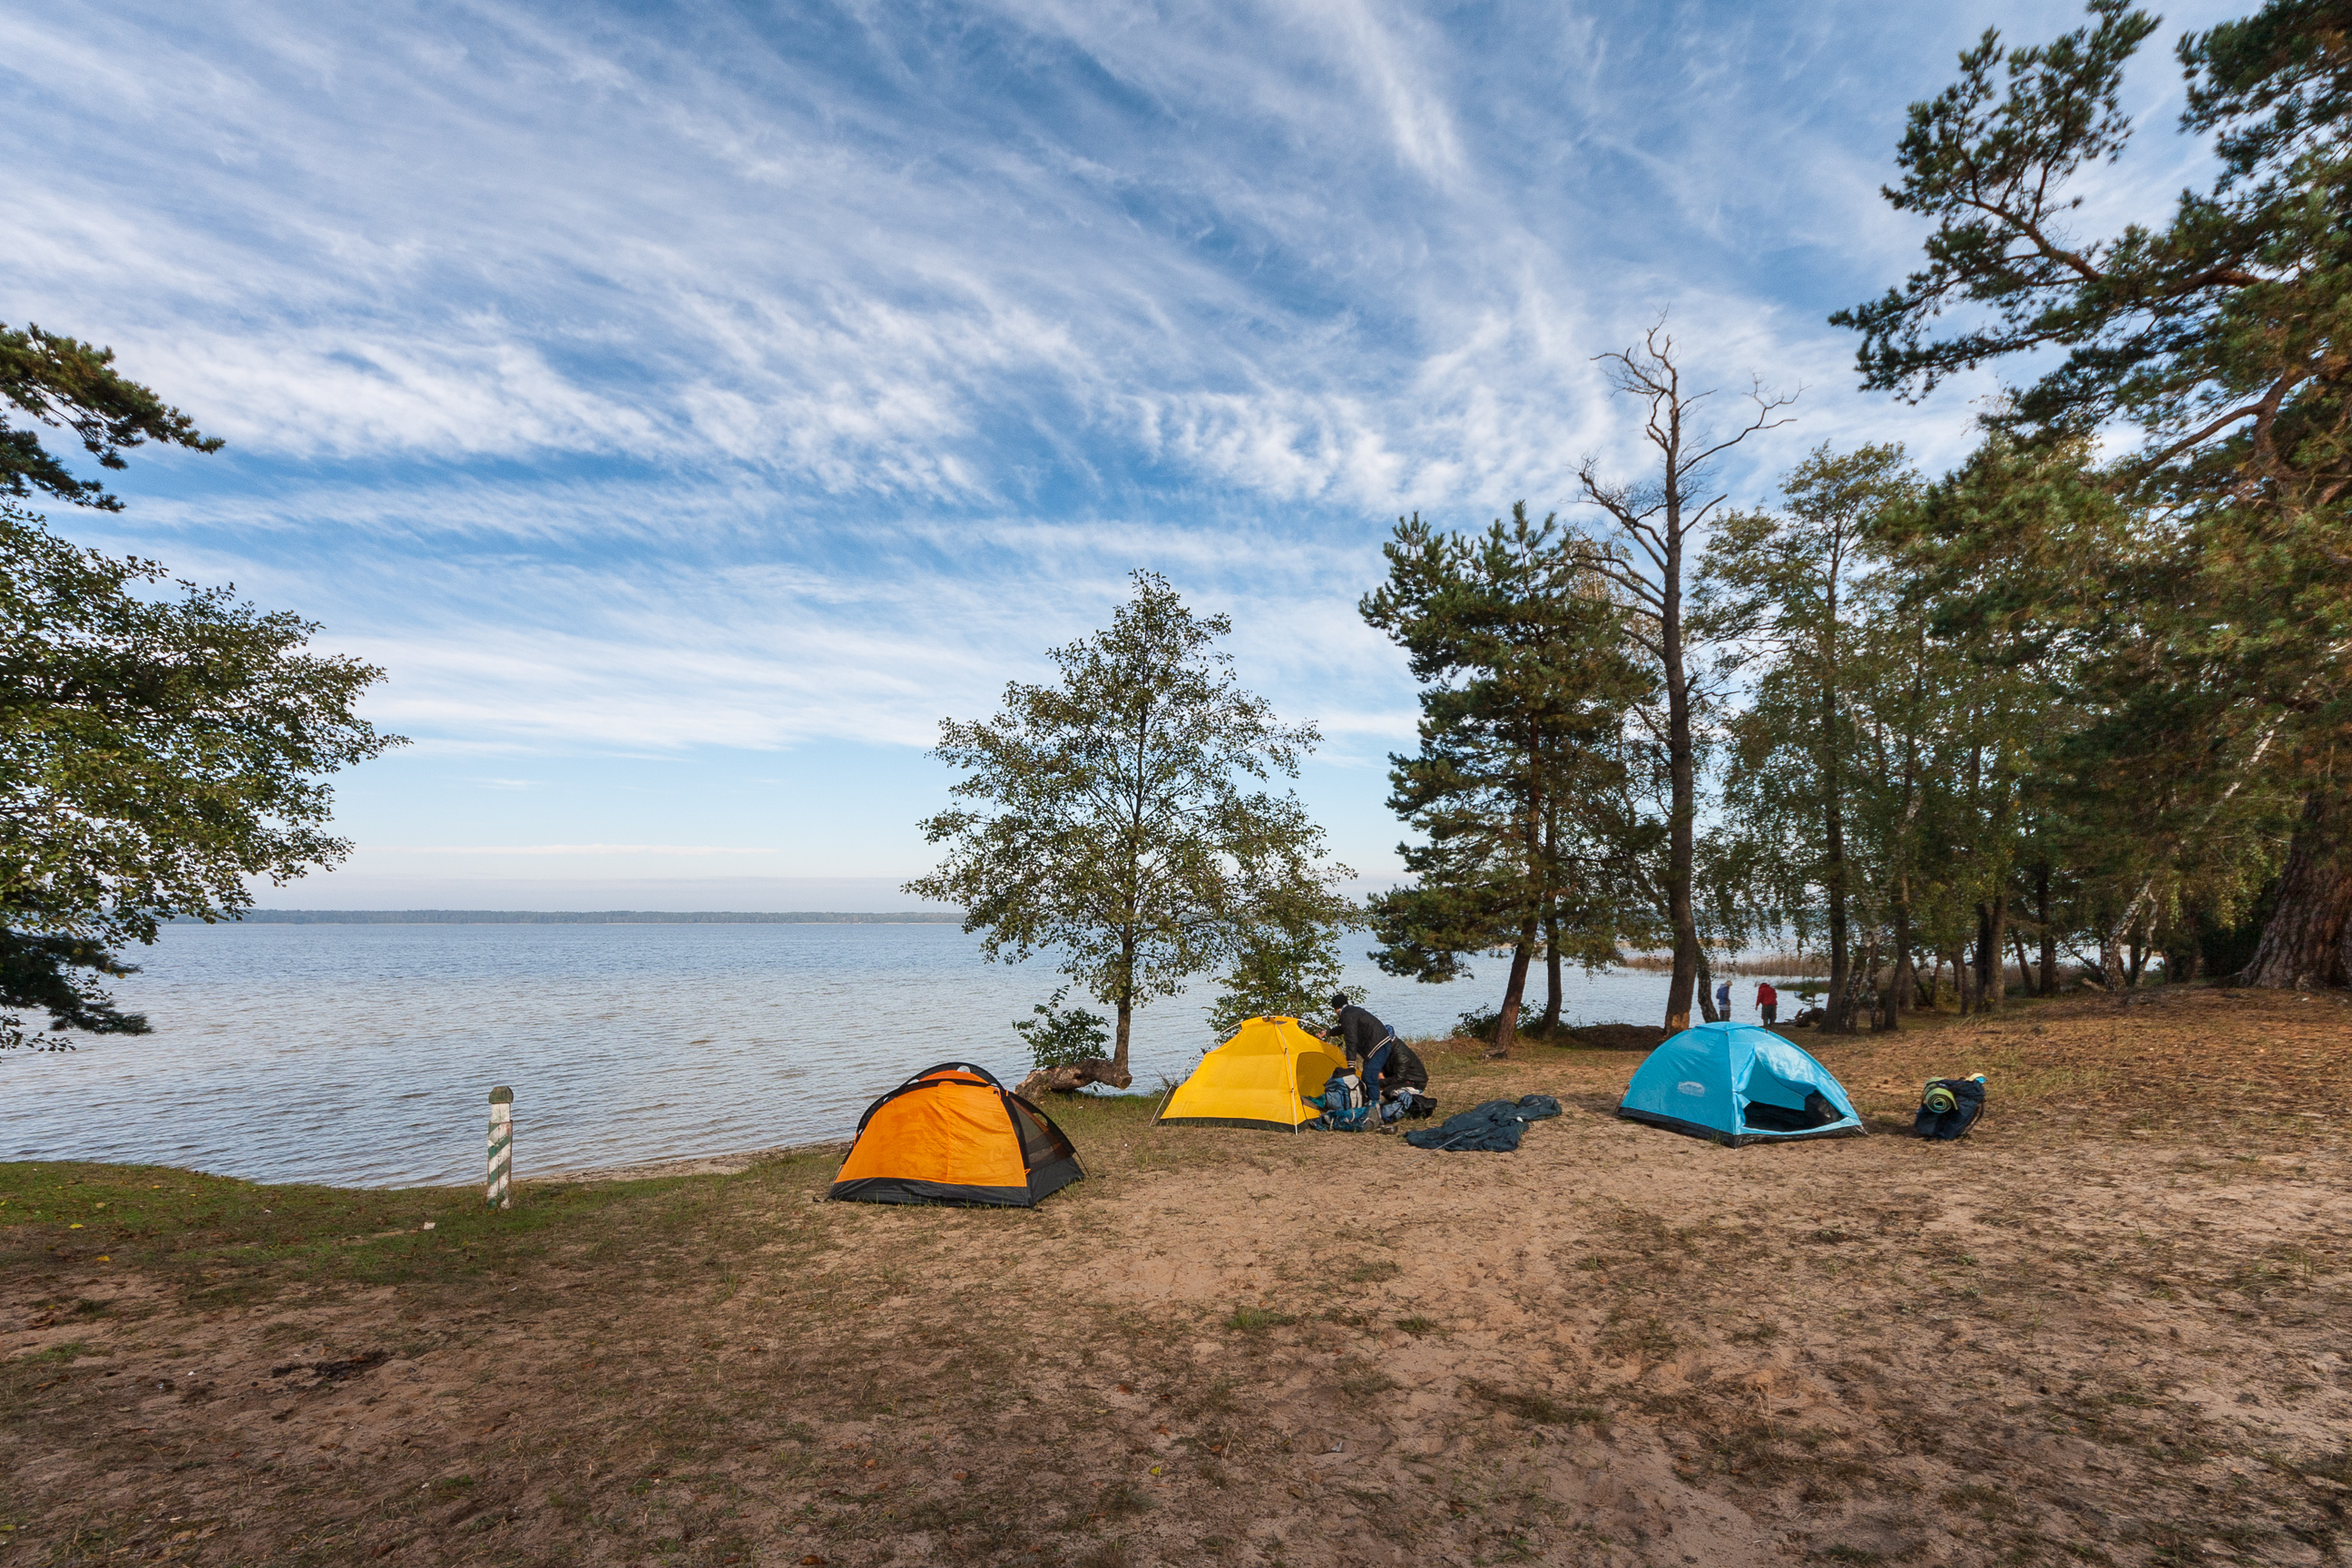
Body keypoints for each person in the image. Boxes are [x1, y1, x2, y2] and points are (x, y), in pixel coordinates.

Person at [1330, 993, 1427, 1125]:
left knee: (1370, 1076)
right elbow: (1345, 1029)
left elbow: (1351, 1039)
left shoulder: (1347, 1015)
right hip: (1379, 1044)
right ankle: (1371, 1103)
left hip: (1381, 1049)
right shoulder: (1353, 1012)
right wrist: (1328, 1032)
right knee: (1368, 1075)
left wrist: (1351, 1064)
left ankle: (1374, 1109)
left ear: (1336, 1009)